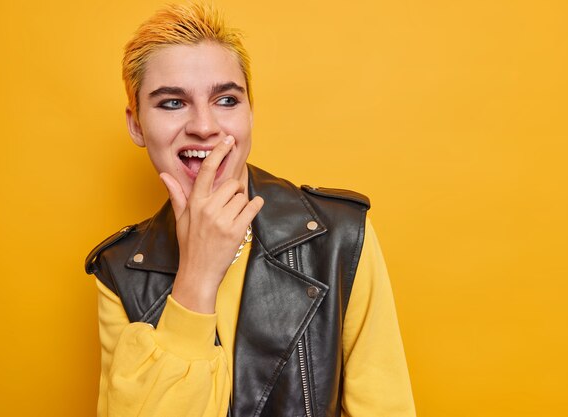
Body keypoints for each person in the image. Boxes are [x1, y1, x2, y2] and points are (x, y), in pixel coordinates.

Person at [85, 2, 416, 416]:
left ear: (250, 113)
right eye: (172, 103)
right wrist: (196, 278)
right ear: (136, 125)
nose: (204, 126)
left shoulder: (341, 237)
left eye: (226, 99)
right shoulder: (118, 271)